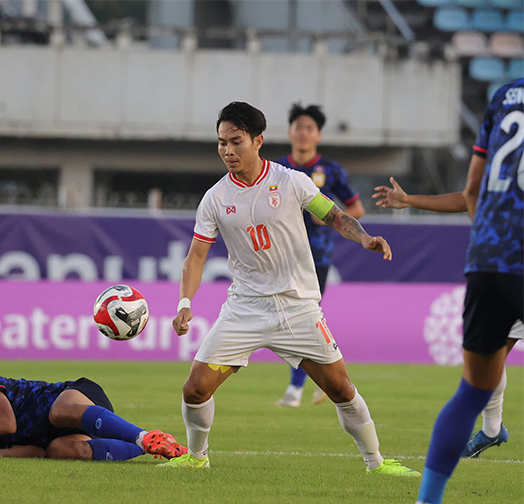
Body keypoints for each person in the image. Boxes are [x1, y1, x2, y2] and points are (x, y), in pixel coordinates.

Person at [159, 101, 419, 477]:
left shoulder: (291, 180)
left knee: (342, 390)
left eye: (236, 141)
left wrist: (363, 239)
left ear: (258, 140)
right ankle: (197, 458)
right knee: (195, 389)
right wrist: (185, 302)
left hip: (298, 308)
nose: (228, 151)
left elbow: (335, 215)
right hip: (244, 309)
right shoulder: (215, 198)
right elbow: (195, 258)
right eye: (221, 143)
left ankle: (377, 464)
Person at [404, 79, 521, 504]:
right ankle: (492, 431)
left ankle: (428, 499)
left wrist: (497, 242)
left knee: (472, 389)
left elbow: (472, 190)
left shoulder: (505, 96)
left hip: (488, 257)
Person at [373, 172, 523, 459]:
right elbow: (468, 197)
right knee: (489, 355)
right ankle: (492, 430)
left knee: (487, 357)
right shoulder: (503, 159)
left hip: (507, 268)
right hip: (506, 269)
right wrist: (409, 200)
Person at [274, 103, 365, 408]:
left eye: (309, 128)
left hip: (316, 256)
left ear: (319, 135)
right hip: (280, 255)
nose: (303, 133)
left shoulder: (330, 170)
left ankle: (295, 390)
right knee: (293, 320)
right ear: (290, 132)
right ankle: (329, 380)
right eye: (298, 127)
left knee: (303, 319)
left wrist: (326, 217)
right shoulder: (275, 169)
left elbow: (356, 209)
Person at [0, 373, 188, 462]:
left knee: (57, 413)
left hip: (76, 399)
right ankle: (152, 445)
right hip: (68, 434)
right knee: (57, 451)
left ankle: (139, 434)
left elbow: (6, 423)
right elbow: (35, 451)